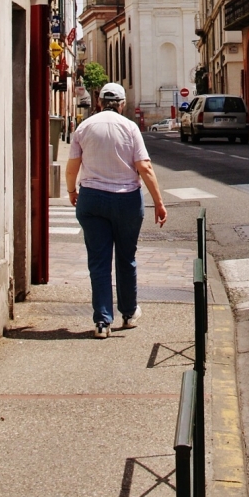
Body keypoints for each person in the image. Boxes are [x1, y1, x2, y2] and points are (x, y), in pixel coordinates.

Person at [65, 81, 168, 338]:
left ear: (99, 102)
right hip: (126, 200)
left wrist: (71, 191)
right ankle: (129, 312)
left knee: (98, 262)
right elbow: (144, 167)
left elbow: (72, 166)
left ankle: (102, 322)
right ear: (121, 104)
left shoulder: (84, 127)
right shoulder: (130, 127)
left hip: (92, 199)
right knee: (126, 258)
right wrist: (158, 202)